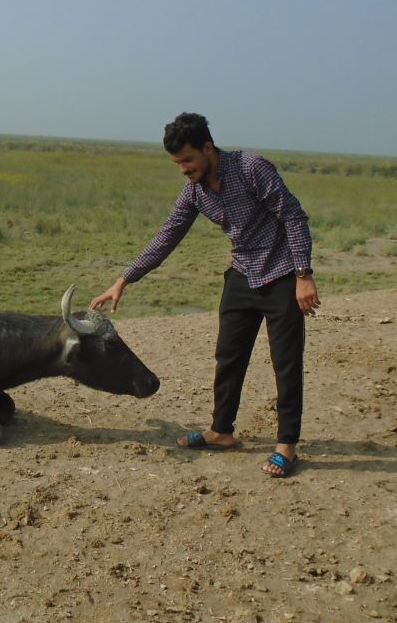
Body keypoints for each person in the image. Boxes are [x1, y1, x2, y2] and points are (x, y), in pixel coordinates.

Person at [90, 112, 320, 477]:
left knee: (286, 363)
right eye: (177, 163)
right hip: (242, 275)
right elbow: (167, 236)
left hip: (281, 274)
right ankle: (221, 431)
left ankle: (286, 447)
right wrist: (124, 279)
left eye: (187, 160)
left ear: (208, 147)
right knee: (228, 356)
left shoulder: (251, 168)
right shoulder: (195, 191)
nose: (183, 169)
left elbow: (293, 216)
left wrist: (304, 274)